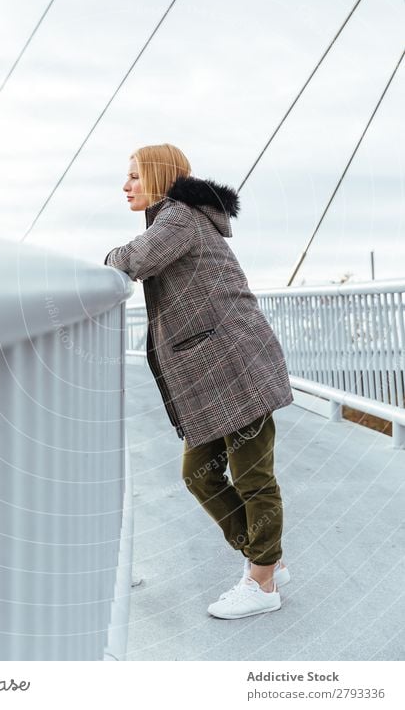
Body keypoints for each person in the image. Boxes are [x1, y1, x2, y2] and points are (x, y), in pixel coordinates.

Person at [104, 144, 294, 619]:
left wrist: (106, 257)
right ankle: (266, 557)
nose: (125, 186)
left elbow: (134, 260)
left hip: (236, 365)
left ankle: (263, 583)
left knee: (253, 477)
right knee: (198, 474)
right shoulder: (174, 217)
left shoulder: (178, 217)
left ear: (158, 175)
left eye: (133, 176)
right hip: (218, 372)